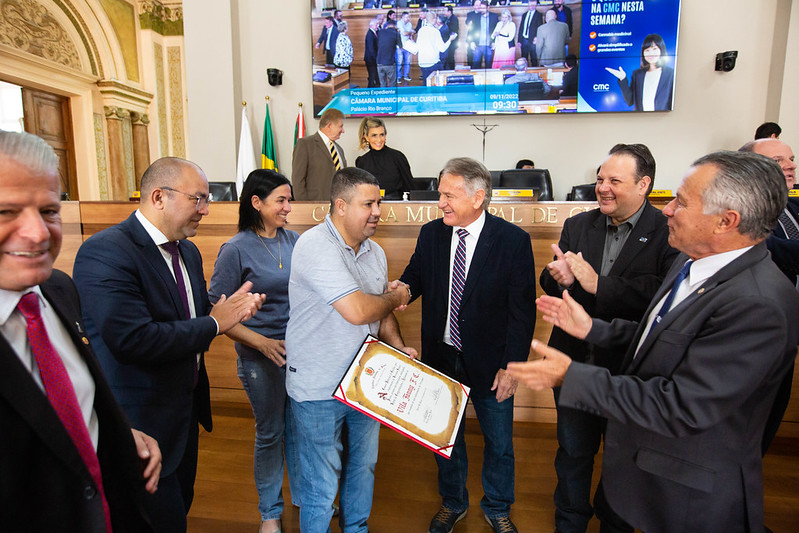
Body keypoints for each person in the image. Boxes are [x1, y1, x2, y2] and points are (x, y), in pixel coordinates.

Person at [509, 151, 799, 533]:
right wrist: (593, 329)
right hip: (640, 467)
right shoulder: (691, 262)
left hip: (685, 496)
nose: (668, 210)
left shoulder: (758, 304)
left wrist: (570, 376)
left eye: (682, 201)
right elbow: (660, 336)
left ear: (726, 221)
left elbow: (682, 406)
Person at [73, 157, 265, 532]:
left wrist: (228, 310)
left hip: (182, 415)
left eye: (207, 199)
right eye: (198, 199)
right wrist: (216, 322)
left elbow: (189, 315)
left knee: (180, 508)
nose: (206, 210)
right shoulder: (106, 251)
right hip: (138, 423)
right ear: (159, 197)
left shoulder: (187, 251)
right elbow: (133, 339)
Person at [0, 130, 162, 532]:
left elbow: (66, 408)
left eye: (49, 210)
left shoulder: (59, 289)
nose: (39, 233)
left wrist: (119, 433)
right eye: (6, 212)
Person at [539, 144, 679, 533]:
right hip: (573, 362)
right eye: (600, 179)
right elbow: (551, 280)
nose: (602, 188)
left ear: (643, 184)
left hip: (630, 371)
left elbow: (661, 294)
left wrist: (598, 284)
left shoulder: (668, 230)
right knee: (573, 452)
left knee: (624, 460)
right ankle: (569, 523)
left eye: (614, 181)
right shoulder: (579, 225)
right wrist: (558, 277)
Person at [399, 157, 536, 533]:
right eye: (440, 194)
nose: (440, 202)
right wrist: (400, 290)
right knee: (445, 437)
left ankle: (497, 506)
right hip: (441, 357)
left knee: (499, 443)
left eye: (449, 195)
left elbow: (522, 313)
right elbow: (414, 278)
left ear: (478, 197)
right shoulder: (431, 234)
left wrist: (512, 366)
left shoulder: (513, 241)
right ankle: (453, 501)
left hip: (492, 363)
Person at [286, 167, 414, 533]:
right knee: (321, 486)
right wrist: (396, 296)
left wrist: (399, 347)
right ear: (340, 206)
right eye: (368, 204)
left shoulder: (375, 252)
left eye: (379, 203)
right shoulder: (314, 245)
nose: (377, 212)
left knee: (363, 468)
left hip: (365, 383)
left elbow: (380, 314)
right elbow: (359, 310)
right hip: (318, 387)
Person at [209, 170, 300, 533]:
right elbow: (216, 314)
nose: (288, 207)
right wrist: (261, 342)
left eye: (289, 200)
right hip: (259, 358)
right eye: (281, 200)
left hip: (298, 355)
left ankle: (305, 497)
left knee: (299, 429)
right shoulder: (235, 249)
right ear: (257, 203)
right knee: (271, 432)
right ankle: (270, 513)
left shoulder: (294, 240)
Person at [739, 138, 799, 461]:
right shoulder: (744, 213)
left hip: (788, 332)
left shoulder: (791, 207)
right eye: (778, 161)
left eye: (791, 159)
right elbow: (779, 251)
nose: (790, 166)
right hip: (759, 333)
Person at [605, 33, 675, 111]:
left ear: (661, 50)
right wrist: (622, 78)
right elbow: (630, 101)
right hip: (640, 118)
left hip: (663, 118)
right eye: (647, 50)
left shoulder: (671, 74)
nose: (651, 53)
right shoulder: (637, 74)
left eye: (654, 49)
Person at [291, 108, 347, 201]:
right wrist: (303, 206)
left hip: (338, 206)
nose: (343, 130)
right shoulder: (305, 144)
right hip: (314, 206)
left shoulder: (339, 149)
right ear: (329, 126)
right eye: (340, 126)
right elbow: (298, 180)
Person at [355, 117, 414, 200]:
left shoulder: (398, 157)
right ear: (366, 137)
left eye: (381, 135)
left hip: (396, 204)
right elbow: (360, 193)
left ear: (385, 135)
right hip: (371, 205)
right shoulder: (362, 161)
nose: (379, 140)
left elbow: (410, 187)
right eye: (374, 135)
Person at [416, 11, 457, 81]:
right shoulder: (435, 31)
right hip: (433, 62)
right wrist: (450, 39)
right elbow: (442, 49)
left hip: (422, 62)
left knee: (426, 82)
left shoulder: (421, 30)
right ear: (434, 19)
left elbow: (417, 46)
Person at [466, 1, 499, 69]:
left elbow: (497, 30)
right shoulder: (475, 16)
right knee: (476, 66)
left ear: (488, 8)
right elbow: (471, 30)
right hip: (477, 45)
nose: (481, 10)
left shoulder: (494, 16)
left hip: (489, 45)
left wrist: (494, 42)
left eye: (483, 8)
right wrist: (471, 42)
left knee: (488, 66)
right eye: (480, 8)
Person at [377, 18, 402, 87]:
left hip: (379, 62)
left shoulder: (380, 32)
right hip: (390, 63)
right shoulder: (396, 34)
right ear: (395, 26)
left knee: (382, 83)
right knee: (392, 84)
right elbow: (400, 47)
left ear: (387, 25)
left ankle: (383, 94)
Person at [518, 1, 544, 66]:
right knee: (524, 58)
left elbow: (540, 28)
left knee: (534, 59)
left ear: (536, 5)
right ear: (528, 5)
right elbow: (521, 28)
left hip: (533, 40)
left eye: (534, 5)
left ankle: (534, 72)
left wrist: (537, 37)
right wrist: (519, 40)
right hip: (524, 40)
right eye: (530, 5)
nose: (532, 6)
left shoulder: (539, 15)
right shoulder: (524, 15)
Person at [397, 11, 415, 82]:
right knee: (399, 62)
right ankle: (398, 77)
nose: (408, 18)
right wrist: (411, 32)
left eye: (408, 17)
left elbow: (411, 34)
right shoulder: (399, 23)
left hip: (408, 45)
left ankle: (406, 75)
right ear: (402, 17)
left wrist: (411, 35)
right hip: (400, 45)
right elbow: (404, 33)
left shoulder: (409, 24)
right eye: (406, 17)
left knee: (407, 61)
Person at [441, 6, 460, 70]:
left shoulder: (454, 19)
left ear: (449, 11)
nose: (443, 12)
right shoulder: (445, 18)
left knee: (450, 57)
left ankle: (451, 70)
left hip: (452, 42)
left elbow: (453, 31)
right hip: (447, 41)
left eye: (445, 11)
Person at [364, 18, 380, 88]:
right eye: (376, 24)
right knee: (372, 76)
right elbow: (371, 49)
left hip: (372, 59)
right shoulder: (370, 34)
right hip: (370, 59)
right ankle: (369, 89)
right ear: (371, 25)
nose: (378, 26)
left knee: (374, 75)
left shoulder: (375, 32)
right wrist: (376, 59)